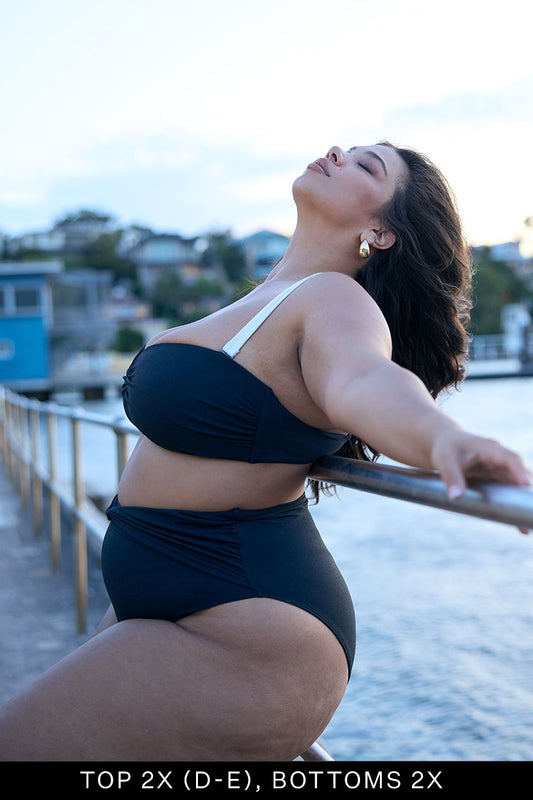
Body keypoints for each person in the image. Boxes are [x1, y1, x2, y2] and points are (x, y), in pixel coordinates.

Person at [0, 142, 530, 761]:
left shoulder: (334, 300)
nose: (338, 152)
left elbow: (362, 381)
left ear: (381, 233)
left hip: (251, 638)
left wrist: (442, 438)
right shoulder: (269, 296)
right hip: (168, 604)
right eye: (349, 148)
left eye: (368, 166)